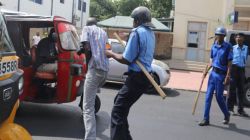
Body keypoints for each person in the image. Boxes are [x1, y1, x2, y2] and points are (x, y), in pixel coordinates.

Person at [105, 6, 155, 140]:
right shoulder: (150, 33)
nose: (132, 23)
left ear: (138, 21)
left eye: (134, 20)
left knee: (117, 111)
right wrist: (127, 35)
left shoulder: (136, 33)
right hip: (144, 79)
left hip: (136, 78)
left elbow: (126, 59)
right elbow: (140, 44)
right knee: (120, 105)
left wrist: (110, 53)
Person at [79, 17, 109, 140]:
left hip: (94, 70)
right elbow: (107, 49)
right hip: (105, 72)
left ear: (88, 24)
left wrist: (80, 51)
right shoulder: (103, 32)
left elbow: (86, 47)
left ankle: (90, 137)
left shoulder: (87, 29)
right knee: (91, 93)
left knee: (87, 107)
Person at [199, 27, 232, 126]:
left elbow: (230, 63)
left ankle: (227, 114)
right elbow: (211, 61)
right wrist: (206, 70)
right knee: (208, 96)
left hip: (221, 75)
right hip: (212, 74)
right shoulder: (214, 46)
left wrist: (227, 76)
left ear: (224, 36)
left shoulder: (228, 47)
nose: (219, 36)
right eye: (217, 34)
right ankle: (206, 119)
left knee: (219, 97)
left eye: (221, 35)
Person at [227, 33, 249, 117]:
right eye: (237, 37)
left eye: (240, 37)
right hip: (233, 69)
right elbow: (230, 60)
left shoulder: (246, 48)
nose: (238, 38)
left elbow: (245, 58)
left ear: (243, 39)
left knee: (241, 90)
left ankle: (240, 110)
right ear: (235, 39)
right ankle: (230, 108)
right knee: (232, 90)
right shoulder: (232, 48)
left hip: (241, 69)